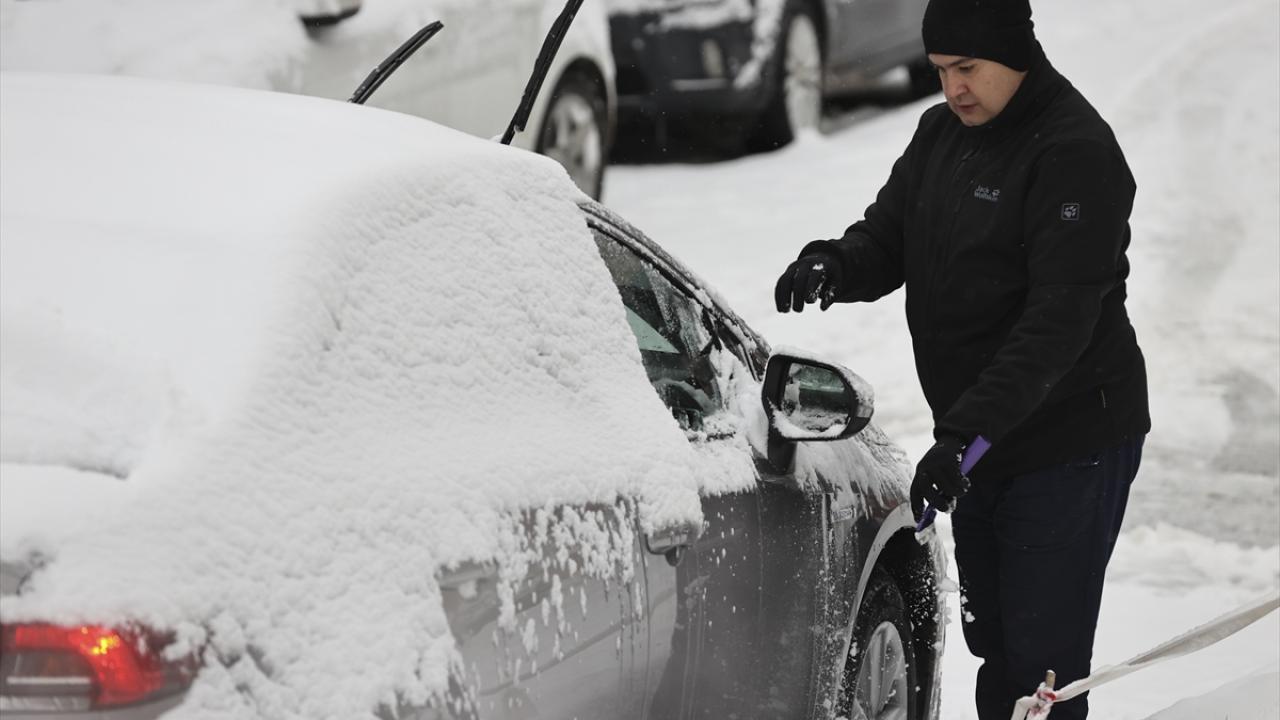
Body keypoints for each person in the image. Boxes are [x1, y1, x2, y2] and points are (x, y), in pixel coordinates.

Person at [772, 0, 1150, 717]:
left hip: (1068, 441)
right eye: (941, 70)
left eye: (967, 68)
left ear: (1014, 54)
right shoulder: (941, 133)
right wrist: (836, 265)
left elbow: (1056, 325)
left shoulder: (1073, 152)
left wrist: (962, 438)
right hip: (981, 441)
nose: (953, 88)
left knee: (1043, 664)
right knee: (997, 643)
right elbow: (889, 237)